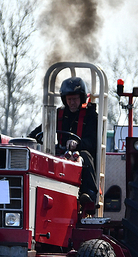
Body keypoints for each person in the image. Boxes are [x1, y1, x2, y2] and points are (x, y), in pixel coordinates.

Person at [29, 77, 99, 205]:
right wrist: (31, 140)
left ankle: (88, 193)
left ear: (82, 98)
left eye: (75, 99)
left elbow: (93, 142)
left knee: (85, 155)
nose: (72, 102)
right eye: (69, 99)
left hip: (81, 155)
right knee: (45, 155)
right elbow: (37, 133)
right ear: (64, 100)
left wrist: (77, 144)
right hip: (60, 153)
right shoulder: (58, 115)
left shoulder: (91, 116)